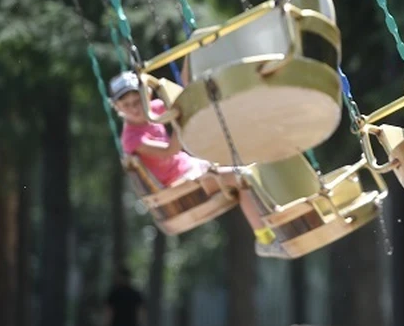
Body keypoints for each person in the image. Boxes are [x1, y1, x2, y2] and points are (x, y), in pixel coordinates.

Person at [109, 70, 287, 258]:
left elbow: (181, 98)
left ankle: (278, 216)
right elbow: (170, 151)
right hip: (182, 182)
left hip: (193, 166)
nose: (135, 109)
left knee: (248, 160)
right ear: (117, 107)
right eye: (126, 105)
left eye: (137, 101)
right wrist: (179, 120)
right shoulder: (132, 138)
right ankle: (265, 239)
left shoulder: (152, 110)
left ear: (147, 96)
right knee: (241, 177)